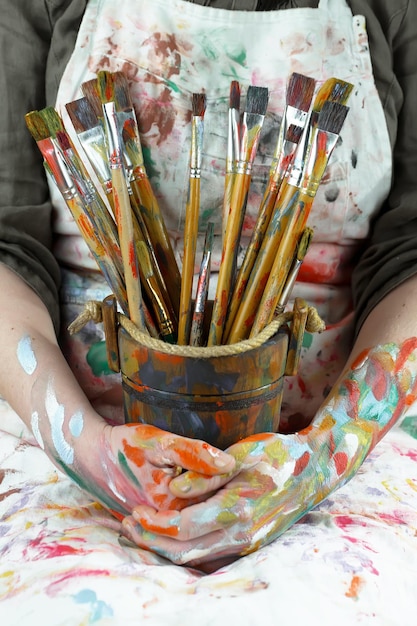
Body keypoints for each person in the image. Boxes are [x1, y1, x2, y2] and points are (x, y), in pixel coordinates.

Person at [0, 0, 416, 571]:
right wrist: (86, 449)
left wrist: (322, 458)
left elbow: (411, 256)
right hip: (71, 444)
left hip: (337, 445)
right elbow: (6, 249)